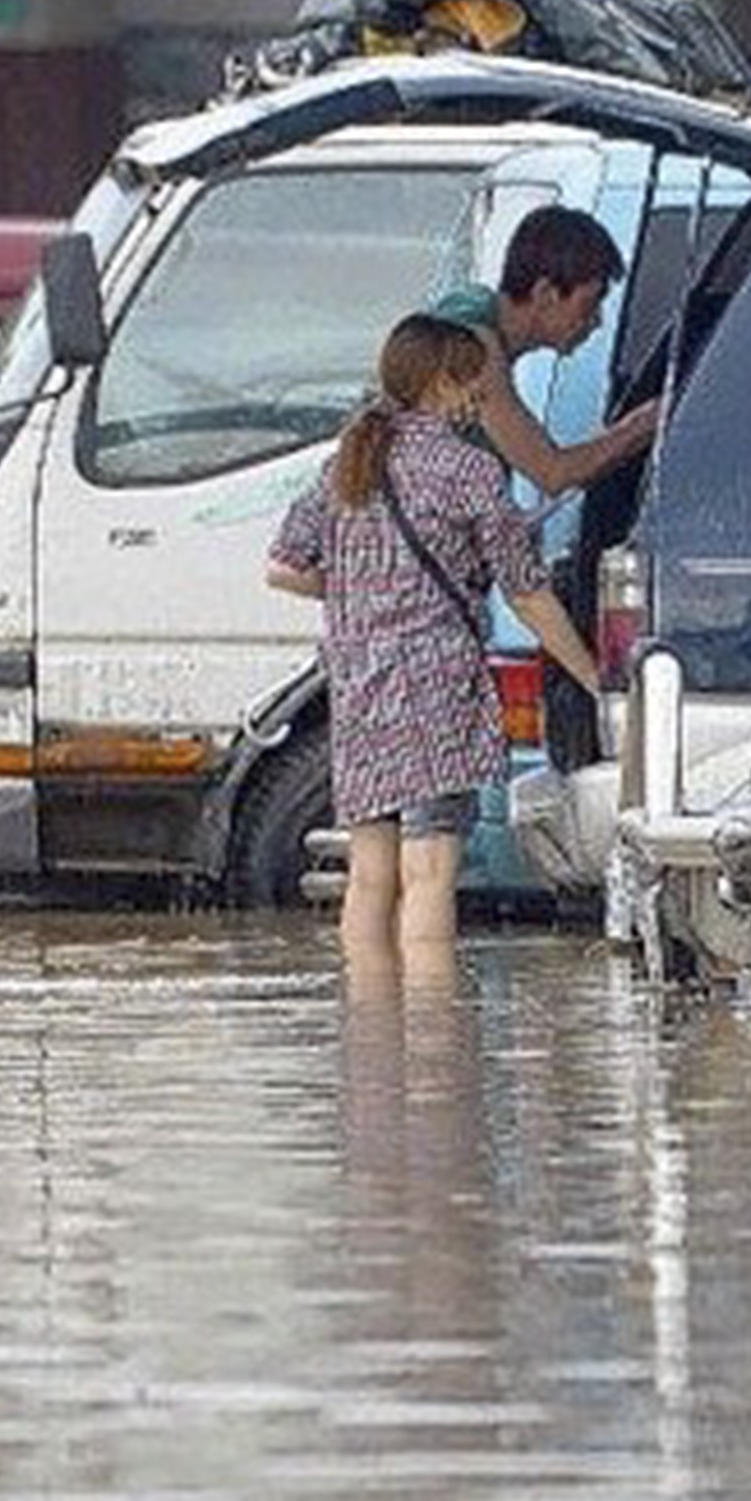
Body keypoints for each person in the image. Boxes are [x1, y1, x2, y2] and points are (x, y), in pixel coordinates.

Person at [267, 312, 598, 986]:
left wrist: (364, 592)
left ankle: (374, 1044)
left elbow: (282, 566)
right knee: (430, 876)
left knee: (369, 877)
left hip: (360, 690)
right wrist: (592, 674)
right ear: (443, 381)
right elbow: (527, 590)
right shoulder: (469, 469)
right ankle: (433, 1049)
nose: (485, 388)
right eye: (475, 376)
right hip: (438, 692)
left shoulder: (346, 463)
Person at [425, 204, 662, 506]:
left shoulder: (472, 306)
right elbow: (552, 473)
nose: (597, 320)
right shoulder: (474, 349)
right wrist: (646, 421)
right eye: (590, 303)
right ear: (546, 294)